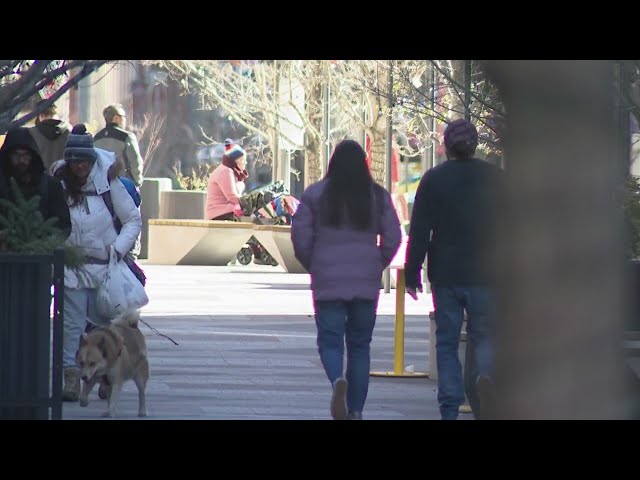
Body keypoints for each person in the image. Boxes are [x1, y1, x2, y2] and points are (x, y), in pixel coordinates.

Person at [291, 139, 402, 420]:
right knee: (360, 346)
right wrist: (377, 263)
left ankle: (336, 381)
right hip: (365, 281)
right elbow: (393, 236)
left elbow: (300, 236)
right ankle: (355, 410)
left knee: (329, 341)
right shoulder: (376, 195)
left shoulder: (316, 194)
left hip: (328, 279)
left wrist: (313, 263)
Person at [404, 119, 503, 420]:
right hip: (486, 271)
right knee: (484, 336)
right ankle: (484, 378)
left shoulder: (434, 179)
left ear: (446, 146)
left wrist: (411, 274)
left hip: (446, 273)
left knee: (446, 341)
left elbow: (420, 230)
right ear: (475, 146)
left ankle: (449, 405)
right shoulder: (495, 178)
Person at [51, 124, 142, 402]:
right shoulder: (59, 185)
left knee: (105, 327)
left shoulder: (108, 182)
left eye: (86, 161)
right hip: (72, 268)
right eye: (76, 161)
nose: (82, 166)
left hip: (105, 269)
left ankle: (106, 375)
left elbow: (132, 219)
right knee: (72, 326)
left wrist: (116, 249)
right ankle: (70, 379)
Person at [0, 127, 70, 237]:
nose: (21, 160)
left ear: (32, 155)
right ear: (8, 155)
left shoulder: (50, 186)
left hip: (42, 250)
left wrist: (43, 240)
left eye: (25, 155)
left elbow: (62, 224)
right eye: (16, 155)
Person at [94, 103, 144, 187]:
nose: (125, 120)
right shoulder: (127, 137)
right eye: (123, 117)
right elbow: (135, 162)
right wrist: (137, 181)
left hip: (102, 186)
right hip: (123, 185)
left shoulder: (96, 138)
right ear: (116, 118)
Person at [206, 139, 248, 221]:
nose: (246, 163)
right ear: (237, 160)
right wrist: (248, 205)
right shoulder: (225, 171)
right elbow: (232, 196)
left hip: (227, 212)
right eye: (244, 159)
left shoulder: (232, 172)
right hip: (220, 214)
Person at [29, 103, 71, 171]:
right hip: (61, 176)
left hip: (40, 178)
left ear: (40, 115)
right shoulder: (67, 133)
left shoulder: (32, 134)